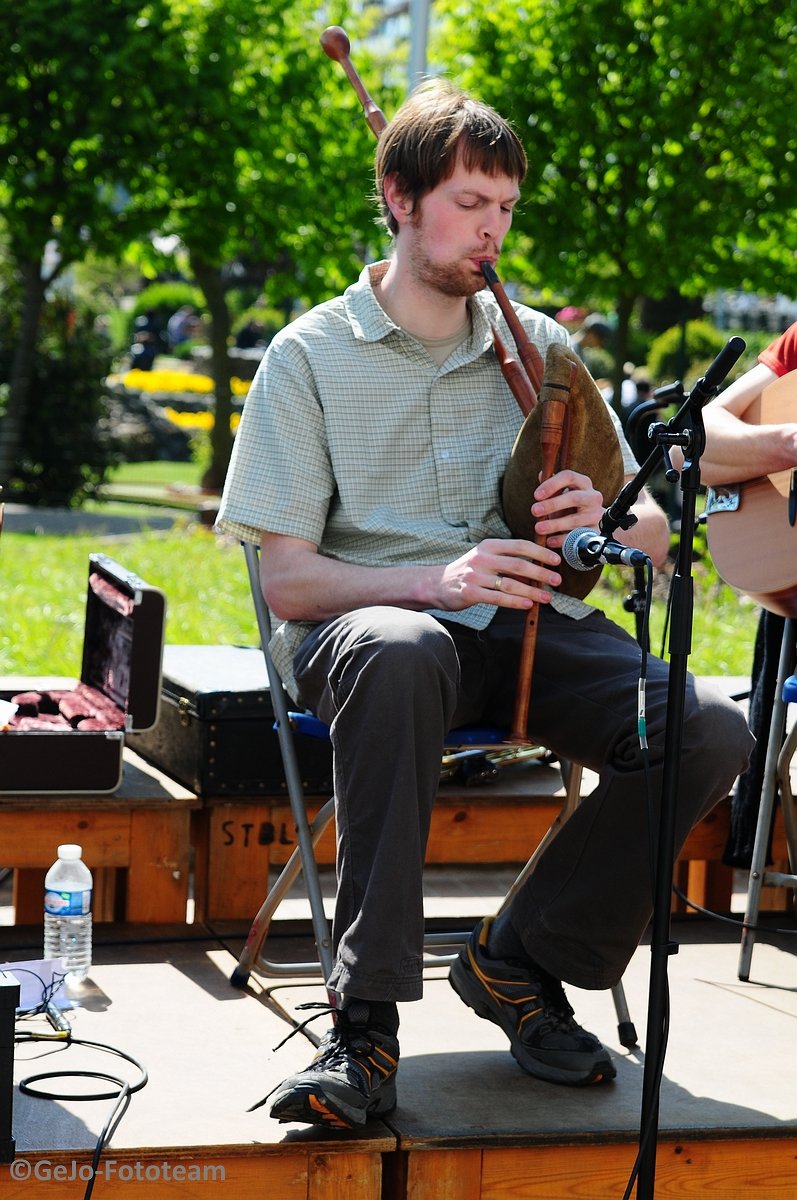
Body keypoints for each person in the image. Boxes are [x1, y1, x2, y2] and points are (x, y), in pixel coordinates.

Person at [216, 81, 753, 1130]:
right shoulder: (305, 356)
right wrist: (432, 580)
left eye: (503, 207)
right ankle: (362, 1027)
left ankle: (517, 962)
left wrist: (595, 511)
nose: (490, 230)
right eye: (468, 202)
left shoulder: (538, 352)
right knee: (406, 647)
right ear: (398, 196)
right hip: (361, 626)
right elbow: (286, 581)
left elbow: (638, 537)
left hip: (522, 628)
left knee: (706, 727)